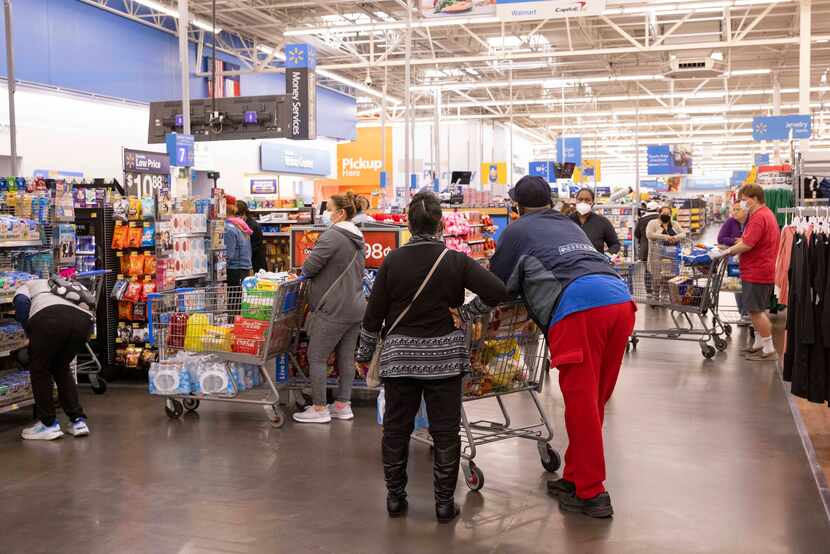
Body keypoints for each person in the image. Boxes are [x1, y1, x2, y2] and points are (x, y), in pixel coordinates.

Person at [356, 191, 509, 523]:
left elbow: (374, 314)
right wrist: (467, 314)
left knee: (396, 428)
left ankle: (395, 499)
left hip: (400, 358)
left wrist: (364, 354)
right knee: (445, 431)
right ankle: (443, 504)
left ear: (409, 224)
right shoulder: (454, 260)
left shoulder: (392, 260)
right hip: (445, 358)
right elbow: (498, 291)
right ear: (440, 224)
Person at [490, 176, 635, 519]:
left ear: (517, 206)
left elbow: (496, 286)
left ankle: (592, 494)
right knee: (593, 402)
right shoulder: (569, 224)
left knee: (581, 405)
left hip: (579, 309)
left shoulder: (517, 230)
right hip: (620, 302)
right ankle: (575, 477)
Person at [294, 192, 367, 424]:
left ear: (341, 213)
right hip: (355, 306)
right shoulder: (357, 236)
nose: (326, 213)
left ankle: (319, 408)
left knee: (316, 356)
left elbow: (309, 267)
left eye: (329, 209)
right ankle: (343, 405)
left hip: (333, 308)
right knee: (346, 357)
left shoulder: (333, 235)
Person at [13, 279, 95, 440]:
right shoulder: (57, 282)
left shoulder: (24, 286)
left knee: (39, 370)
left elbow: (22, 303)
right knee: (61, 367)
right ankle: (77, 421)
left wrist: (29, 333)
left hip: (50, 320)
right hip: (83, 323)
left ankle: (48, 424)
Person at [712, 184, 780, 361]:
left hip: (757, 270)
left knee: (755, 310)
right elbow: (754, 240)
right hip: (762, 268)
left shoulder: (758, 217)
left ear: (754, 198)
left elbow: (748, 245)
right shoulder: (765, 214)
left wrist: (726, 251)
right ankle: (759, 343)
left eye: (744, 199)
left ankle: (769, 349)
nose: (742, 203)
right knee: (758, 310)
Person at [645, 204, 687, 301]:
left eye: (668, 214)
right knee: (656, 275)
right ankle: (655, 295)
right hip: (656, 253)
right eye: (664, 213)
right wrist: (665, 237)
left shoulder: (674, 224)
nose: (666, 215)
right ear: (659, 214)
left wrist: (675, 237)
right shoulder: (652, 223)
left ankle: (664, 295)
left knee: (668, 275)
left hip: (671, 253)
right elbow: (649, 234)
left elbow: (683, 234)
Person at [717, 203, 750, 326]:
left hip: (749, 258)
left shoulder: (752, 221)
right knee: (736, 285)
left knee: (747, 284)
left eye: (738, 209)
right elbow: (720, 239)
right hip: (733, 258)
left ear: (746, 211)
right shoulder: (730, 222)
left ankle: (747, 313)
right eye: (733, 209)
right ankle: (742, 313)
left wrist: (744, 240)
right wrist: (736, 240)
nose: (734, 212)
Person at [570, 188, 621, 255]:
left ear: (593, 203)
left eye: (587, 200)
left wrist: (607, 255)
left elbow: (615, 244)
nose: (583, 202)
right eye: (580, 199)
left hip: (595, 263)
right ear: (576, 201)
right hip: (571, 264)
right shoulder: (567, 221)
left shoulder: (602, 222)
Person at [224, 196, 253, 289]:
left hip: (234, 271)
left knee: (233, 302)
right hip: (244, 270)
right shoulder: (241, 224)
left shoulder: (228, 228)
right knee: (240, 301)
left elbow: (229, 255)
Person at [236, 200, 267, 273]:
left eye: (238, 215)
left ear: (244, 213)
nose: (236, 218)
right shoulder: (244, 223)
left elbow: (254, 246)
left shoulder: (252, 225)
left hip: (256, 263)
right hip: (249, 262)